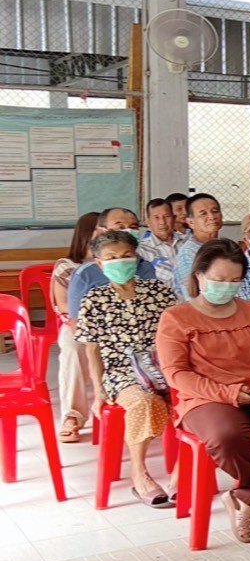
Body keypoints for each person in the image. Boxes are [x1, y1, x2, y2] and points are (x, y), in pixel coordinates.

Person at [157, 239, 250, 544]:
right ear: (199, 276)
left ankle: (247, 497)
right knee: (227, 436)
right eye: (219, 280)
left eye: (235, 281)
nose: (227, 287)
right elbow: (176, 373)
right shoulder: (177, 318)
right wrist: (230, 394)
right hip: (206, 397)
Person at [74, 229, 176, 506]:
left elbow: (176, 335)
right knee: (145, 402)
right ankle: (139, 473)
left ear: (137, 258)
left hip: (162, 366)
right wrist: (99, 392)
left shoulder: (159, 292)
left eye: (126, 255)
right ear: (99, 264)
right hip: (121, 373)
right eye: (111, 258)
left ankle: (181, 474)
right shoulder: (94, 300)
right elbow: (92, 349)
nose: (120, 261)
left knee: (195, 400)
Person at [51, 211, 99, 443]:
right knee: (73, 346)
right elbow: (65, 306)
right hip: (78, 326)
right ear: (86, 234)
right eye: (98, 230)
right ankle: (72, 416)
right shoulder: (67, 266)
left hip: (115, 326)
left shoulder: (117, 262)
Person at [68, 208, 159, 322]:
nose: (128, 231)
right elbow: (76, 321)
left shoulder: (146, 267)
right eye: (120, 227)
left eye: (134, 227)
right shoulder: (85, 274)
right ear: (101, 231)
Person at [173, 194, 223, 300]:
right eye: (203, 214)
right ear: (191, 222)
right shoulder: (189, 254)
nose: (212, 217)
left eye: (215, 211)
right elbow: (193, 296)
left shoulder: (224, 247)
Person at [136, 197, 185, 294]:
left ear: (174, 218)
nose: (162, 222)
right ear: (148, 222)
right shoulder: (142, 251)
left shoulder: (186, 242)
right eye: (156, 217)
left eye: (166, 216)